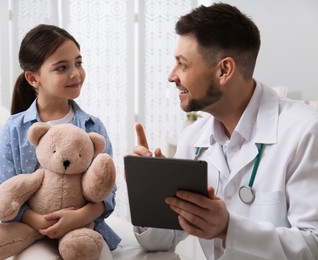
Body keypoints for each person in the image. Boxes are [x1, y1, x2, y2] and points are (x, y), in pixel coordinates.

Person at [132, 3, 318, 260]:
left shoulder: (306, 132)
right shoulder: (194, 138)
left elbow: (313, 245)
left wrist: (229, 228)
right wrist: (152, 190)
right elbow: (159, 242)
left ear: (224, 70)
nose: (171, 76)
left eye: (182, 64)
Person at [0, 24, 120, 259]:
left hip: (83, 229)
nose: (75, 73)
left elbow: (107, 190)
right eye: (62, 67)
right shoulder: (14, 128)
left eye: (78, 63)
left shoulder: (94, 127)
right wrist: (40, 221)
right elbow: (2, 189)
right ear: (33, 78)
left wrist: (80, 217)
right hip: (31, 230)